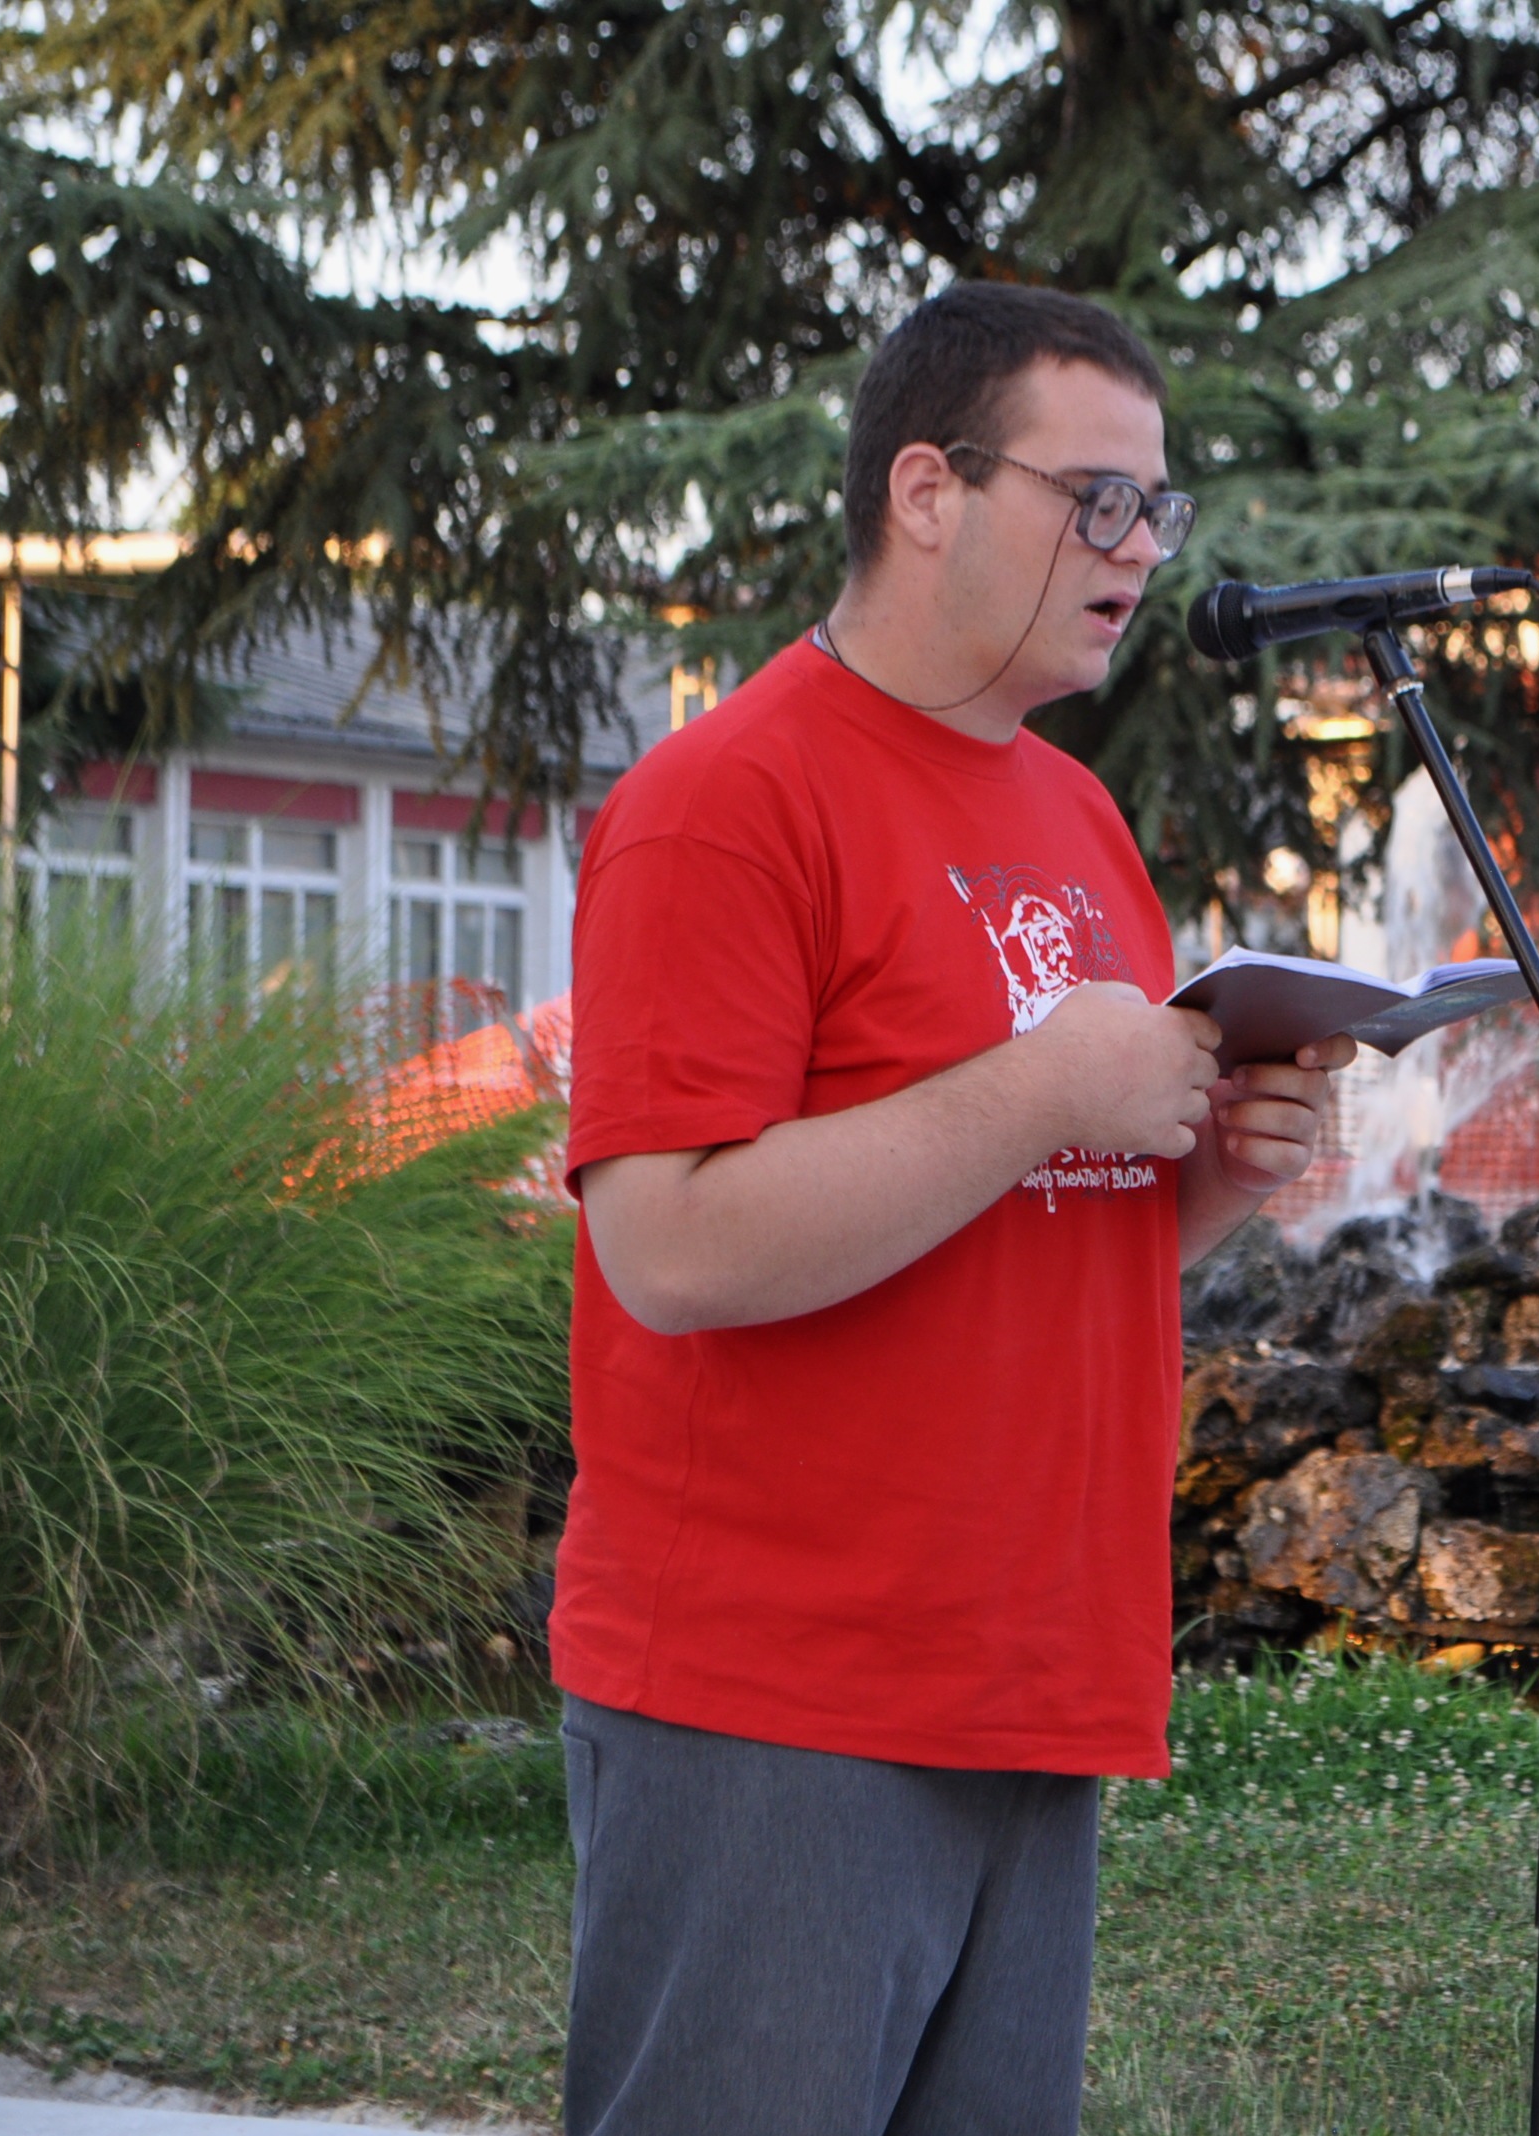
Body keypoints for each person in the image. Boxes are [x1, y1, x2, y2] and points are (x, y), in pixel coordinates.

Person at [552, 285, 1355, 2136]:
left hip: (1031, 1682)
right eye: (1096, 500)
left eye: (1158, 508)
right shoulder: (724, 802)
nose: (1139, 550)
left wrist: (1219, 1167)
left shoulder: (1079, 824)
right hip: (780, 1696)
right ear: (928, 491)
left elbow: (1048, 1237)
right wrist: (1045, 1089)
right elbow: (667, 1248)